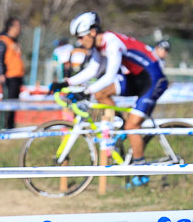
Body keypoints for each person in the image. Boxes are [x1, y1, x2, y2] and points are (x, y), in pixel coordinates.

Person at [53, 12, 170, 188]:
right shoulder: (99, 47)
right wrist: (66, 82)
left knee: (133, 125)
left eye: (81, 37)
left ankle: (141, 172)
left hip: (153, 80)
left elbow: (109, 75)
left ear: (92, 32)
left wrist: (86, 91)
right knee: (101, 95)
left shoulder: (112, 43)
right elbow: (93, 70)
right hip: (138, 78)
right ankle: (119, 126)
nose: (79, 42)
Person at [0, 17, 25, 130]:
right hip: (9, 77)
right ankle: (4, 125)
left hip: (17, 76)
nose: (19, 29)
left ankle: (11, 125)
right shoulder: (3, 41)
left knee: (14, 103)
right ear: (10, 27)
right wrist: (1, 73)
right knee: (7, 102)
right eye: (17, 26)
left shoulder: (14, 41)